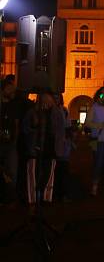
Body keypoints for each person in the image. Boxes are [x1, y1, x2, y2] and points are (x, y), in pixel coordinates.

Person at [21, 91, 66, 207]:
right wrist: (34, 127)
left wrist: (60, 148)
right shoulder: (33, 112)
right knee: (33, 174)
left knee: (48, 174)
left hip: (50, 149)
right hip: (35, 148)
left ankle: (46, 198)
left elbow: (61, 131)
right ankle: (32, 200)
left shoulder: (57, 113)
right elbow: (25, 129)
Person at [0, 76, 21, 204]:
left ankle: (9, 197)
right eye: (9, 89)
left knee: (13, 171)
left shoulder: (14, 105)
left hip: (11, 143)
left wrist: (15, 140)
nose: (12, 92)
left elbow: (17, 124)